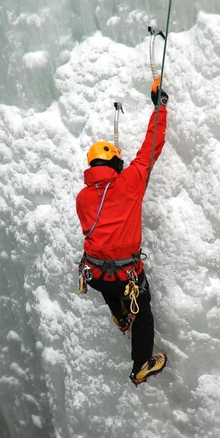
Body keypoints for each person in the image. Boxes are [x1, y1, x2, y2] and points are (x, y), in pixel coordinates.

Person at [76, 79, 169, 386]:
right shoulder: (129, 184)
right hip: (127, 275)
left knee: (113, 292)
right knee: (143, 312)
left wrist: (117, 169)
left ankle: (119, 317)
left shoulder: (83, 197)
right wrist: (160, 106)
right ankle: (141, 364)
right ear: (115, 163)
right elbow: (150, 147)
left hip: (96, 275)